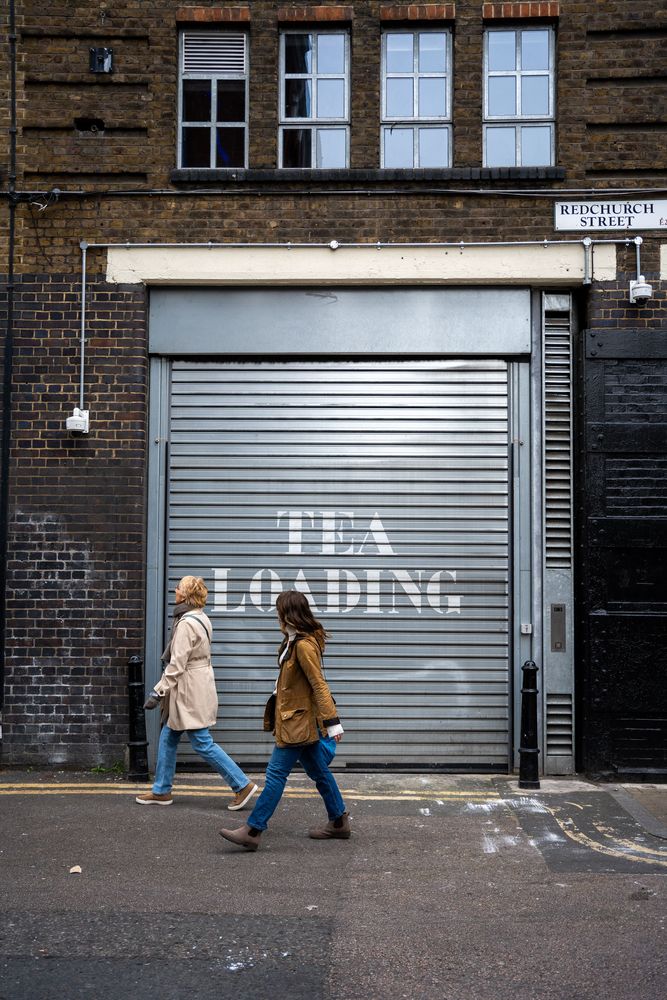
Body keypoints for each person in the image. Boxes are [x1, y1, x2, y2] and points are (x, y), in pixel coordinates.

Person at [219, 589, 350, 851]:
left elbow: (318, 684)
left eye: (279, 610)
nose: (276, 615)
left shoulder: (302, 645)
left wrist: (332, 722)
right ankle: (338, 822)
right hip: (296, 719)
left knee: (276, 773)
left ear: (287, 613)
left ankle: (253, 830)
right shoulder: (292, 640)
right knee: (319, 772)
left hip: (297, 724)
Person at [135, 575, 258, 810]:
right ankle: (161, 790)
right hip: (196, 685)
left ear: (187, 595)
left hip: (189, 690)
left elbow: (177, 664)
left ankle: (242, 785)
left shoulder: (186, 624)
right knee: (169, 735)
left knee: (202, 742)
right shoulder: (200, 617)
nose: (175, 590)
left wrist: (158, 692)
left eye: (179, 587)